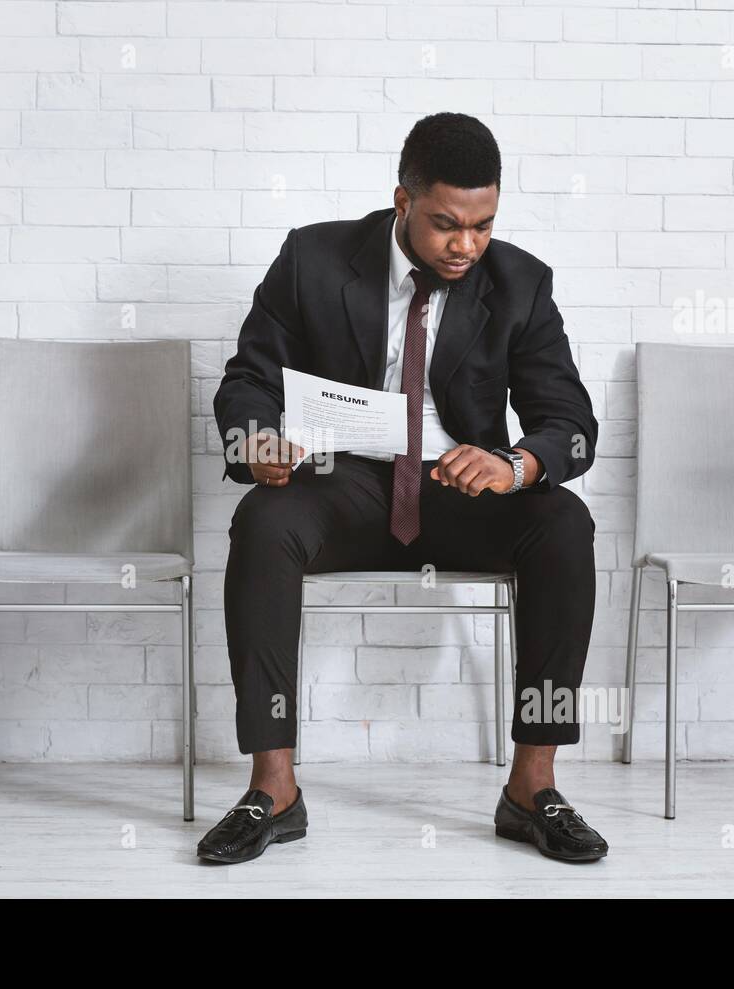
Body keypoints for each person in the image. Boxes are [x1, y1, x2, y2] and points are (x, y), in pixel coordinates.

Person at [200, 112, 607, 864]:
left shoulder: (520, 283)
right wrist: (253, 437)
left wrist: (512, 464)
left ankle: (532, 786)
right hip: (344, 484)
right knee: (262, 520)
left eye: (483, 225)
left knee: (564, 523)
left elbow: (569, 420)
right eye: (447, 224)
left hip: (461, 490)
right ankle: (274, 787)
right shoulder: (312, 259)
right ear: (402, 201)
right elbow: (248, 377)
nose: (466, 245)